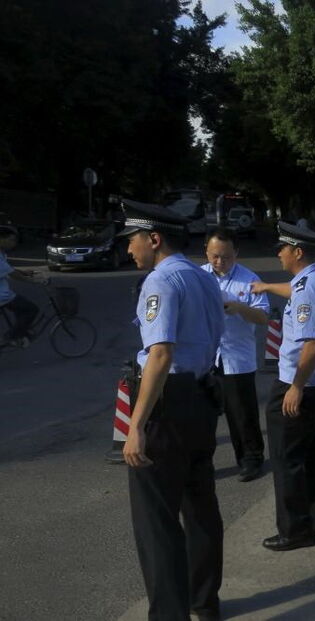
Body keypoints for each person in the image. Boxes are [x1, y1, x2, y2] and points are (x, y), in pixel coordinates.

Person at [117, 200, 225, 621]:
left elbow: (160, 354)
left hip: (168, 401)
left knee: (156, 519)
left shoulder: (160, 282)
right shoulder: (203, 279)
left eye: (133, 240)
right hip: (201, 396)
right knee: (200, 508)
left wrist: (137, 424)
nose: (129, 250)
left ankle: (169, 614)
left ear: (154, 239)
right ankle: (205, 601)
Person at [250, 222, 315, 551]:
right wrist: (266, 287)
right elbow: (294, 291)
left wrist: (296, 387)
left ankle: (294, 530)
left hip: (302, 384)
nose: (278, 253)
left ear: (297, 252)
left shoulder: (308, 289)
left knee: (286, 457)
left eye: (283, 248)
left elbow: (312, 344)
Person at [202, 228, 270, 482]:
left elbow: (263, 317)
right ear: (207, 253)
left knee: (241, 413)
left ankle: (251, 458)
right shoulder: (198, 277)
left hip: (237, 358)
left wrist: (241, 308)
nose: (220, 262)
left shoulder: (250, 280)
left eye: (226, 257)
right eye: (215, 256)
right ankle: (201, 463)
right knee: (202, 415)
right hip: (206, 357)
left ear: (236, 254)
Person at [0, 224, 44, 346]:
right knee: (32, 309)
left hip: (4, 293)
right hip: (2, 296)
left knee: (21, 309)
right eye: (11, 240)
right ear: (1, 239)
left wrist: (23, 271)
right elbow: (14, 276)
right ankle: (11, 336)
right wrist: (35, 281)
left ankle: (19, 332)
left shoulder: (2, 253)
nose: (13, 243)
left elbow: (8, 269)